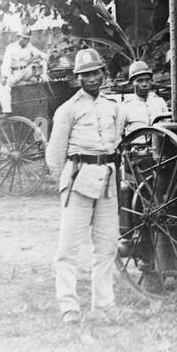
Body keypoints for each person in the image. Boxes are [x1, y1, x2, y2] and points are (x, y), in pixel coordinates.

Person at [45, 48, 121, 328]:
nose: (91, 78)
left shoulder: (113, 107)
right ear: (77, 78)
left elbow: (117, 142)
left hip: (108, 181)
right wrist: (65, 183)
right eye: (85, 74)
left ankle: (103, 305)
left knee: (107, 246)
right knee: (69, 247)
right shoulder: (68, 110)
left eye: (95, 72)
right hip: (78, 180)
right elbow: (54, 156)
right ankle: (68, 306)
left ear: (103, 73)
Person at [0, 28, 49, 113]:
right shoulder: (11, 48)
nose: (25, 40)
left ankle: (42, 81)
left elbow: (40, 54)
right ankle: (7, 110)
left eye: (27, 39)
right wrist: (4, 76)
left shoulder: (30, 47)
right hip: (15, 72)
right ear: (18, 37)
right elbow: (6, 63)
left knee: (40, 66)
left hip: (26, 71)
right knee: (3, 85)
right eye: (23, 38)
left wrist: (43, 56)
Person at [117, 59, 171, 137]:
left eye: (147, 80)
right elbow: (118, 135)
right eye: (140, 81)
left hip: (158, 147)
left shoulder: (159, 102)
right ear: (131, 83)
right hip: (135, 147)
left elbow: (169, 130)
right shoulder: (125, 106)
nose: (144, 84)